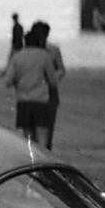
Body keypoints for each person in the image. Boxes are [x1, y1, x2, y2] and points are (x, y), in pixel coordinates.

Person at [1, 25, 59, 144]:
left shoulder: (18, 56)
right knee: (42, 137)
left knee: (27, 138)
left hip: (23, 102)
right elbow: (53, 81)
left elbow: (8, 81)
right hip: (41, 101)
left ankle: (32, 161)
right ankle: (42, 161)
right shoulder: (44, 56)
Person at [32, 21, 66, 149]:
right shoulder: (28, 50)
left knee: (47, 127)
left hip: (49, 92)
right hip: (32, 92)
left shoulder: (53, 50)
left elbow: (61, 69)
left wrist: (52, 79)